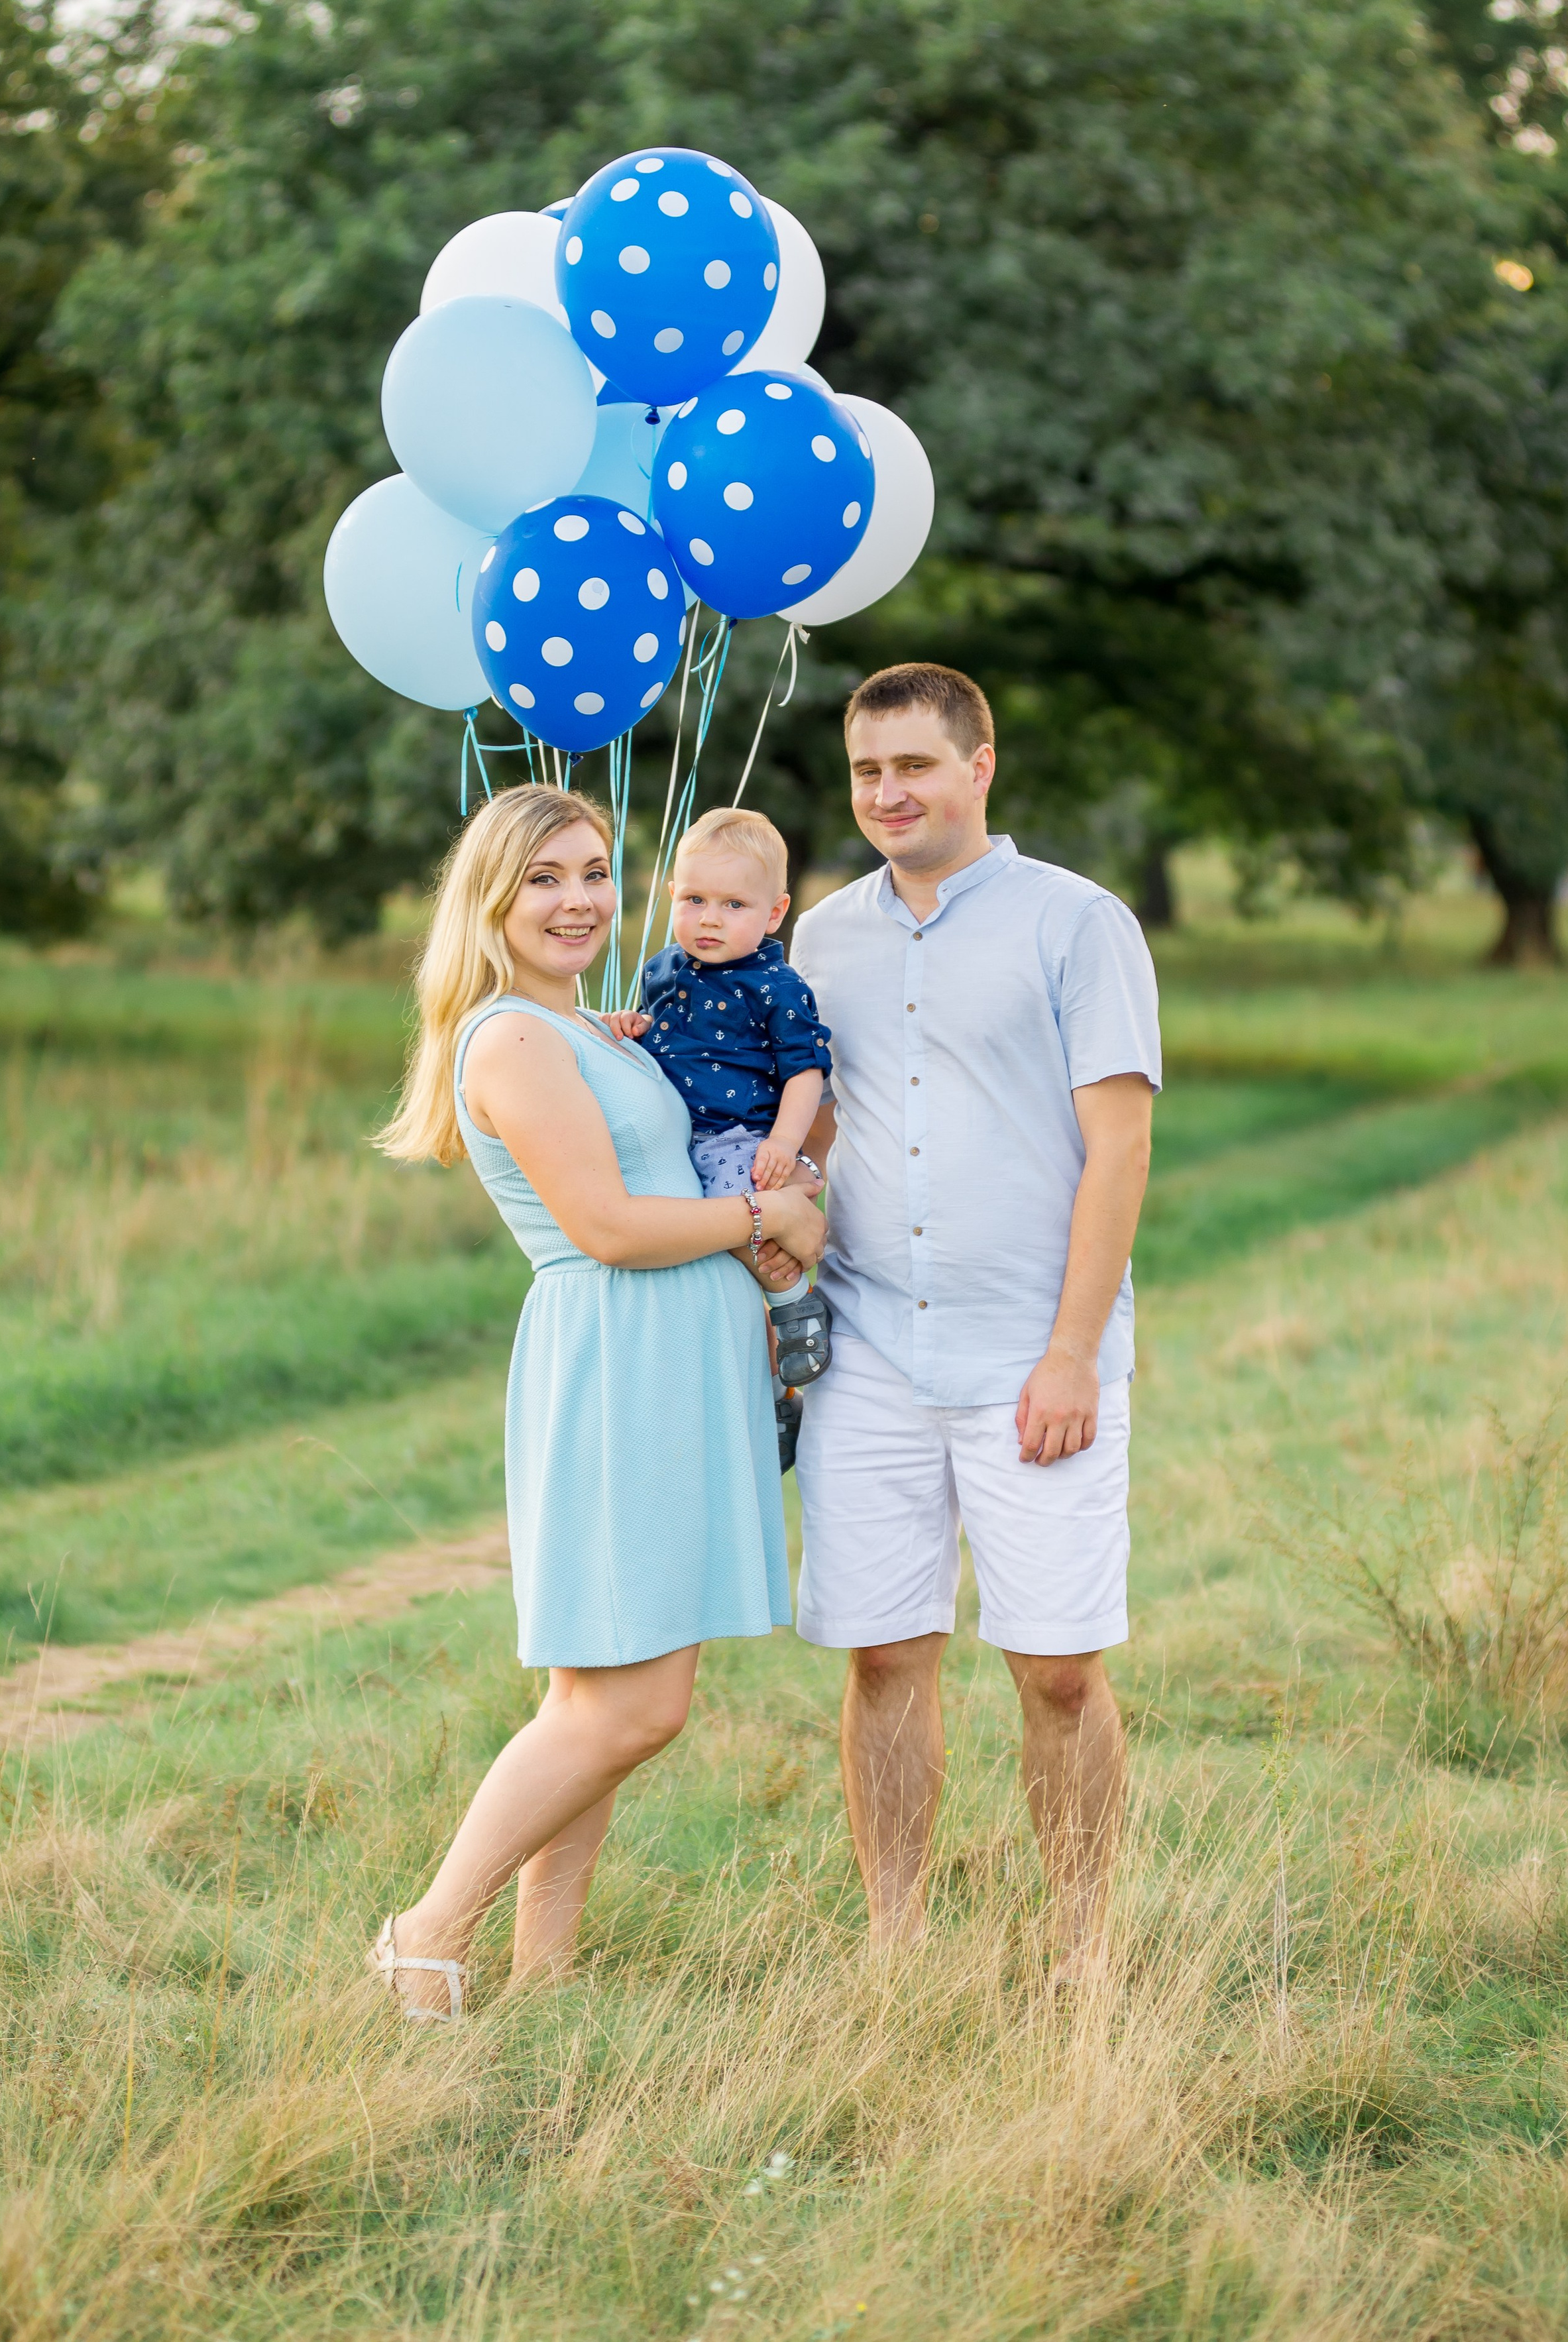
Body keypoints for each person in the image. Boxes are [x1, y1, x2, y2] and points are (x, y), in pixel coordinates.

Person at [370, 783, 826, 2020]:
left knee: (595, 1694)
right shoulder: (513, 1040)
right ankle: (427, 1929)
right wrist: (765, 1214)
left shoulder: (587, 1027)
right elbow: (612, 1227)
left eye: (593, 873)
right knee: (638, 1706)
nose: (578, 901)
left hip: (671, 1355)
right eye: (545, 879)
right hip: (623, 1359)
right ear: (491, 901)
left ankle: (547, 1973)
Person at [789, 663, 1160, 1985]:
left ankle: (1081, 1947)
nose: (888, 793)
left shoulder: (1078, 923)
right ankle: (895, 1943)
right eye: (867, 771)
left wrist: (1071, 1353)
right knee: (885, 1654)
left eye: (914, 766)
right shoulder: (820, 939)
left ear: (979, 765)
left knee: (1057, 1668)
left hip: (1033, 1358)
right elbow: (799, 1119)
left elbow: (1119, 1148)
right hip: (869, 1352)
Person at [606, 805, 836, 1415]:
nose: (710, 918)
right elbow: (662, 1031)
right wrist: (633, 1025)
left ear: (775, 912)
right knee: (700, 1250)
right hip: (673, 1134)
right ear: (672, 895)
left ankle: (795, 1304)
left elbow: (806, 1070)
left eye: (735, 904)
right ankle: (772, 1395)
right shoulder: (663, 968)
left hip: (739, 1134)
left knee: (739, 1225)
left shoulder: (776, 985)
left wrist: (784, 1142)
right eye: (695, 900)